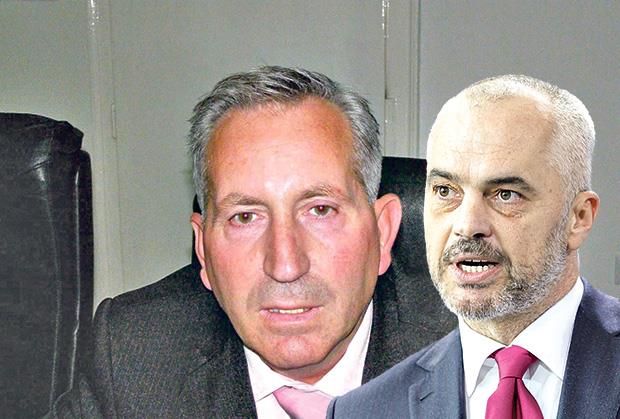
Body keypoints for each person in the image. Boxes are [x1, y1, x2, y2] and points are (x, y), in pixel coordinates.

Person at [49, 66, 454, 418]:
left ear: (382, 233)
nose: (285, 265)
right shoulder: (136, 352)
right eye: (245, 217)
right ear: (203, 251)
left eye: (320, 210)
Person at [328, 75, 620, 419]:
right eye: (445, 191)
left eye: (506, 195)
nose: (467, 226)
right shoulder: (363, 412)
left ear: (579, 217)